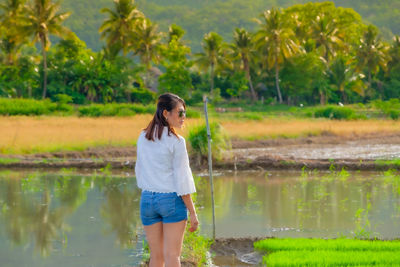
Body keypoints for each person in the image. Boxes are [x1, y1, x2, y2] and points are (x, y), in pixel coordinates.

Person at [135, 93, 199, 267]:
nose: (183, 117)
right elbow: (182, 180)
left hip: (147, 200)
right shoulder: (177, 142)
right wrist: (192, 212)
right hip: (171, 200)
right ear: (165, 113)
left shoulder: (142, 137)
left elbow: (139, 170)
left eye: (185, 112)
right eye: (180, 112)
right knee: (172, 256)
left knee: (156, 256)